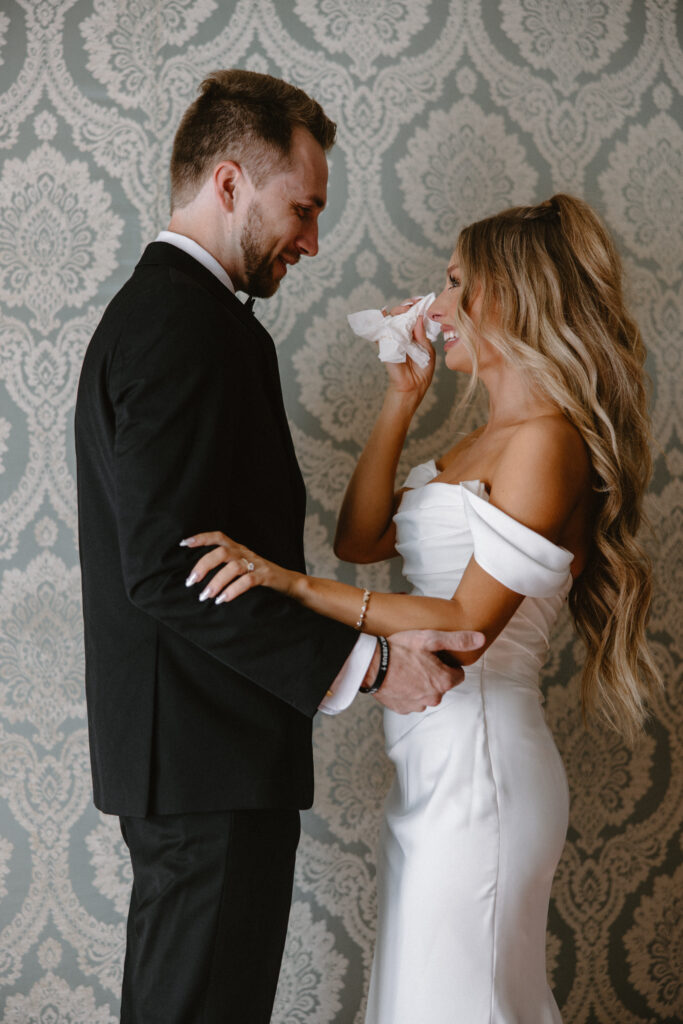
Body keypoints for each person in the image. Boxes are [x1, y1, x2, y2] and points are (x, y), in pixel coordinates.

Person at [183, 194, 660, 1023]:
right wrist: (401, 399)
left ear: (507, 296)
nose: (435, 308)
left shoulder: (546, 441)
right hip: (429, 765)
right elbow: (362, 538)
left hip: (481, 767)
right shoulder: (478, 442)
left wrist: (287, 584)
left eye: (453, 283)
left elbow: (462, 629)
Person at [74, 69, 483, 1024]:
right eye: (300, 207)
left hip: (204, 760)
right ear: (228, 182)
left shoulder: (193, 318)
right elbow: (169, 572)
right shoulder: (181, 323)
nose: (310, 237)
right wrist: (371, 666)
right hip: (203, 762)